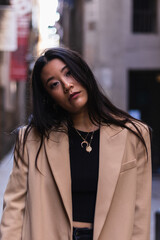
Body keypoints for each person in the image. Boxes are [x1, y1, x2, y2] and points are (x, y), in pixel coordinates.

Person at [0, 47, 152, 240]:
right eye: (54, 84)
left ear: (83, 72)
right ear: (49, 97)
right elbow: (14, 210)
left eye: (69, 73)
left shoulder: (134, 135)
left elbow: (140, 214)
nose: (67, 85)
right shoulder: (31, 140)